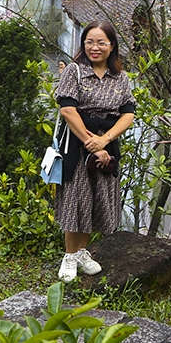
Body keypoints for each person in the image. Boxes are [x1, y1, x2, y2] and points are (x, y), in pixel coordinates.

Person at [55, 20, 135, 282]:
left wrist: (105, 141)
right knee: (77, 200)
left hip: (108, 146)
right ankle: (69, 256)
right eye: (90, 41)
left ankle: (81, 252)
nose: (95, 47)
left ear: (112, 46)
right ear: (83, 44)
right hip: (78, 147)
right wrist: (92, 143)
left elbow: (128, 115)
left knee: (96, 200)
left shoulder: (120, 78)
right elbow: (68, 110)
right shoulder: (74, 72)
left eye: (101, 42)